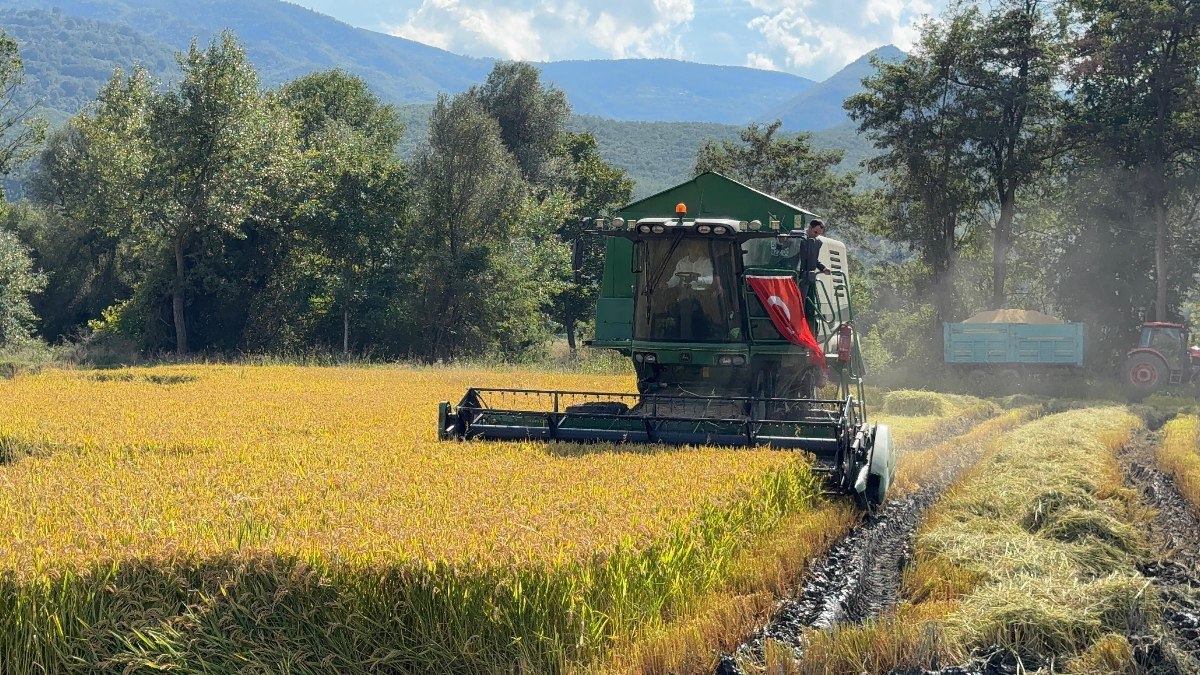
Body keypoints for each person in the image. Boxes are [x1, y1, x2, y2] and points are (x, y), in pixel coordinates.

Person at [797, 219, 833, 333]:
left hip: (808, 278)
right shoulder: (798, 238)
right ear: (809, 228)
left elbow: (814, 260)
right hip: (796, 274)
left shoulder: (817, 242)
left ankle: (803, 328)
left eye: (819, 233)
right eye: (815, 232)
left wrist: (823, 268)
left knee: (806, 304)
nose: (817, 235)